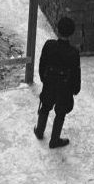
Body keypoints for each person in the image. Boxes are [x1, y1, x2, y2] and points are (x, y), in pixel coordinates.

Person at [34, 17, 81, 149]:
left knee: (45, 106)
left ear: (58, 29)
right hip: (64, 88)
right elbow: (76, 74)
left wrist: (44, 79)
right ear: (72, 33)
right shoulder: (73, 53)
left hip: (49, 83)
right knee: (60, 113)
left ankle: (39, 131)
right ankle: (54, 141)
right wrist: (75, 89)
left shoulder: (49, 45)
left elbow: (42, 64)